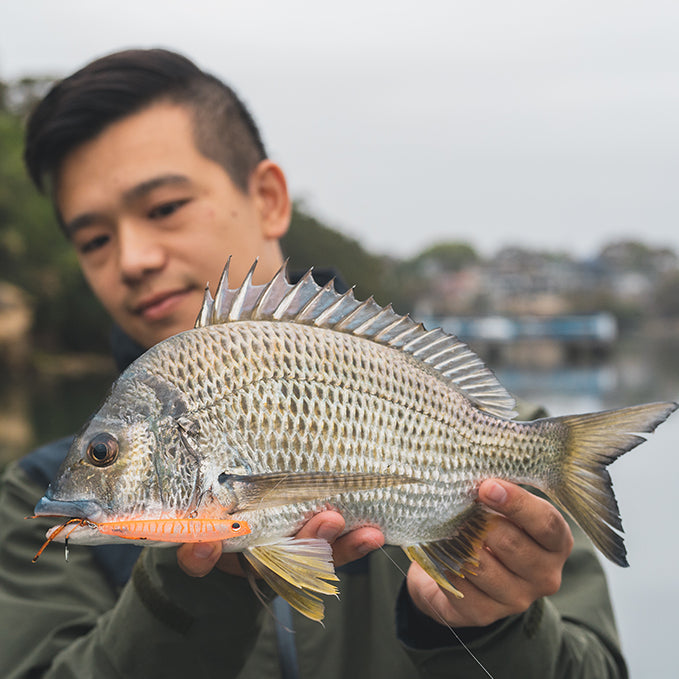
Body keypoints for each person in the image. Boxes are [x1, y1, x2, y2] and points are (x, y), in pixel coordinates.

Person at [0, 49, 627, 678]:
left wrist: (501, 625)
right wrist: (195, 582)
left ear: (270, 198)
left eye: (163, 208)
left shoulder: (509, 467)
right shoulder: (41, 496)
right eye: (94, 239)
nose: (132, 257)